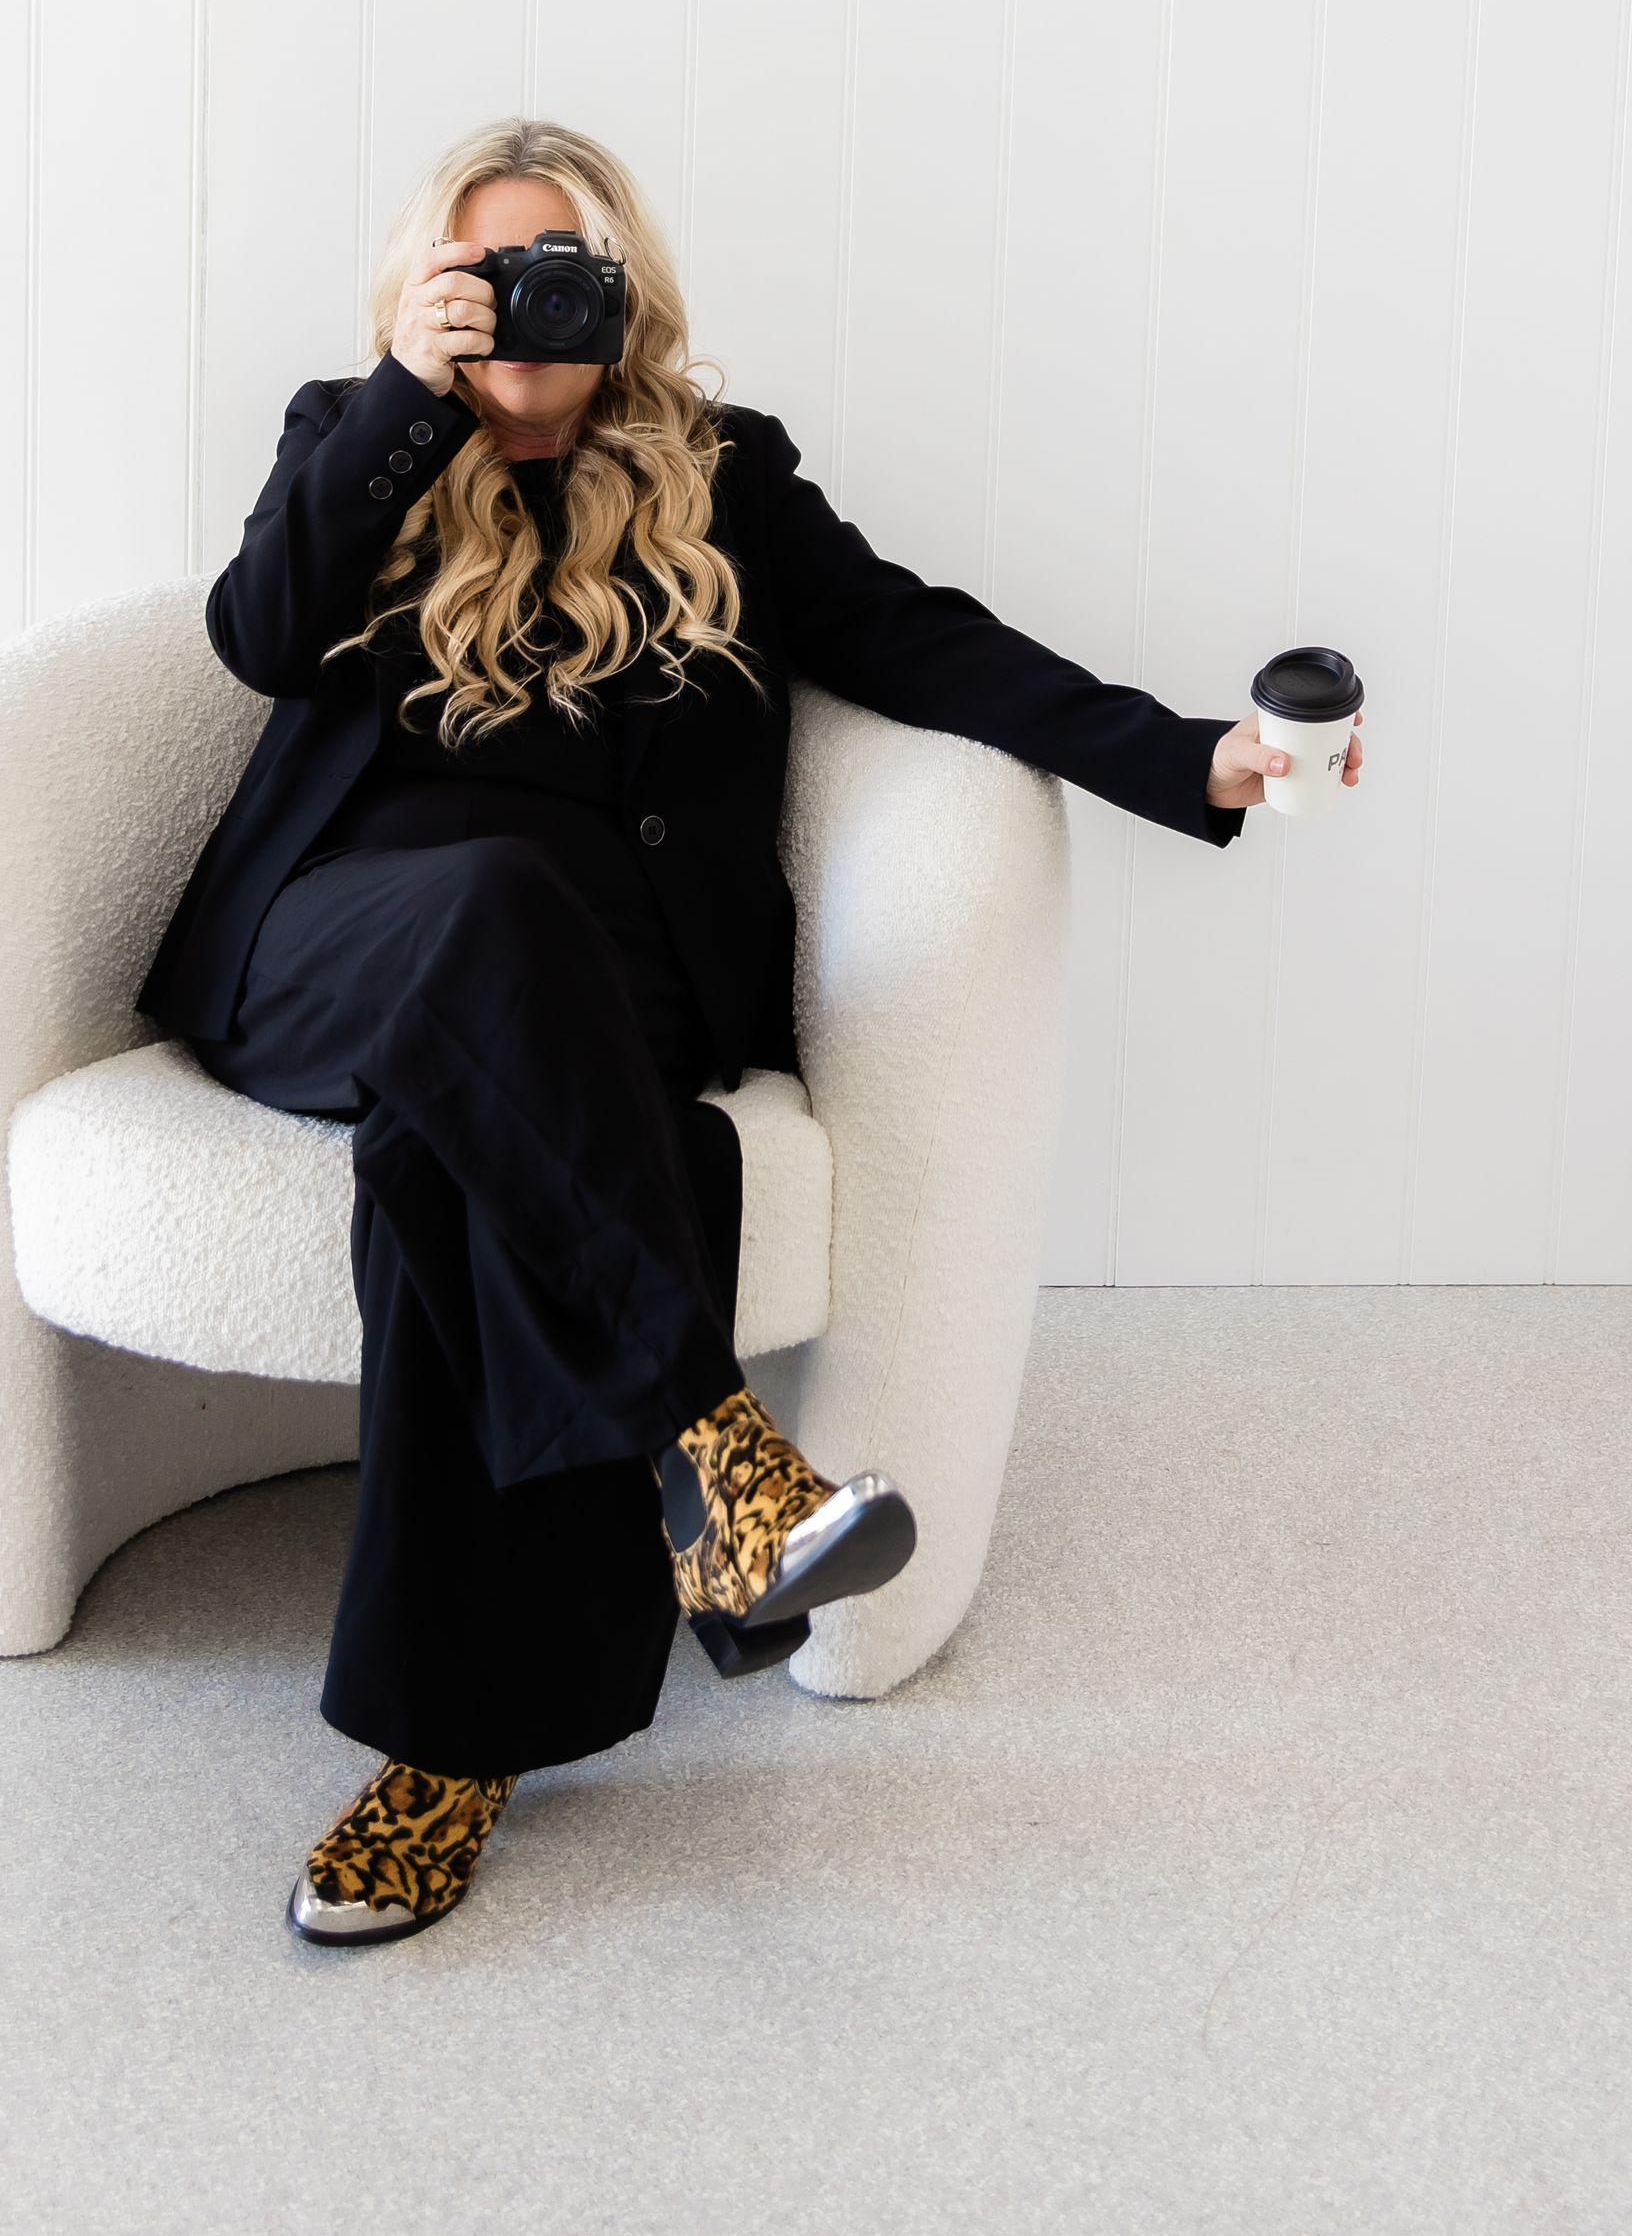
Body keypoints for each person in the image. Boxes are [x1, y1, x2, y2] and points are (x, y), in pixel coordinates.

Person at [134, 116, 1364, 1947]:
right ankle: (713, 1450)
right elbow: (260, 634)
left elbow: (926, 642)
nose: (527, 303)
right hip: (345, 946)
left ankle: (439, 1762)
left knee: (446, 1158)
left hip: (587, 1000)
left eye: (564, 266)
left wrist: (1191, 755)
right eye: (487, 270)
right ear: (426, 292)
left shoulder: (724, 476)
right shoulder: (356, 435)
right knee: (477, 905)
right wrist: (411, 394)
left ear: (623, 295)